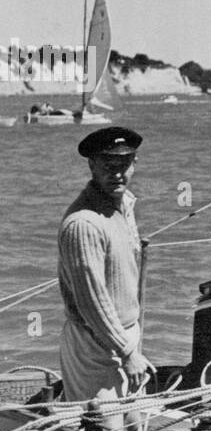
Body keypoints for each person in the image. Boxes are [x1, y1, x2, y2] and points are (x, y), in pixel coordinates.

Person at [58, 127, 150, 405]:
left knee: (136, 429)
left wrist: (131, 345)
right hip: (95, 345)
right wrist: (128, 353)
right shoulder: (84, 224)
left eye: (124, 164)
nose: (117, 173)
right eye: (108, 165)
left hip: (125, 338)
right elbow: (92, 303)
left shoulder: (124, 204)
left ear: (135, 164)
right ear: (91, 166)